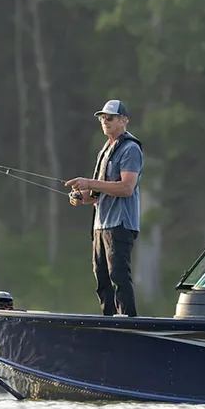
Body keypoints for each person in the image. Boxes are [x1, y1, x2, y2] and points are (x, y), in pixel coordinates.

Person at [65, 99, 143, 317]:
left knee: (119, 277)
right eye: (102, 118)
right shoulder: (105, 151)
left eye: (110, 118)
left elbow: (126, 188)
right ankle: (108, 323)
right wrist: (81, 196)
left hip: (120, 223)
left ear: (124, 120)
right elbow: (97, 193)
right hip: (101, 225)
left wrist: (89, 183)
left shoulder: (130, 149)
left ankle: (128, 324)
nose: (105, 122)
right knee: (102, 281)